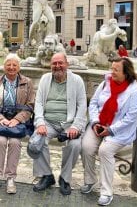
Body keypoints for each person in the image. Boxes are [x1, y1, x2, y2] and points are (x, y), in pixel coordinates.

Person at [81, 57, 137, 206]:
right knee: (86, 147)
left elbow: (131, 117)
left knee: (104, 151)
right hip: (99, 124)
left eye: (116, 70)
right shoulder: (105, 84)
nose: (112, 72)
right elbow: (94, 104)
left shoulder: (134, 92)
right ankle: (90, 181)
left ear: (126, 73)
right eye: (112, 68)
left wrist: (111, 130)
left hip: (119, 131)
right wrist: (95, 122)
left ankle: (107, 192)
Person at [31, 53, 87, 195]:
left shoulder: (77, 80)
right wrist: (40, 123)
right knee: (36, 141)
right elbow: (38, 103)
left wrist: (75, 126)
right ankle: (47, 176)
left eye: (60, 63)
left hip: (69, 124)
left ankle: (65, 178)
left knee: (75, 145)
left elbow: (82, 106)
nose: (57, 66)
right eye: (54, 63)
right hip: (48, 122)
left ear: (67, 64)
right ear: (50, 65)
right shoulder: (45, 79)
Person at [0, 54, 35, 194]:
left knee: (15, 143)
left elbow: (30, 105)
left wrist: (17, 119)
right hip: (1, 120)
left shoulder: (27, 82)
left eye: (14, 65)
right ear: (4, 66)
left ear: (19, 67)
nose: (11, 67)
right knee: (0, 141)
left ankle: (10, 178)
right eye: (8, 64)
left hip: (17, 122)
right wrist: (1, 118)